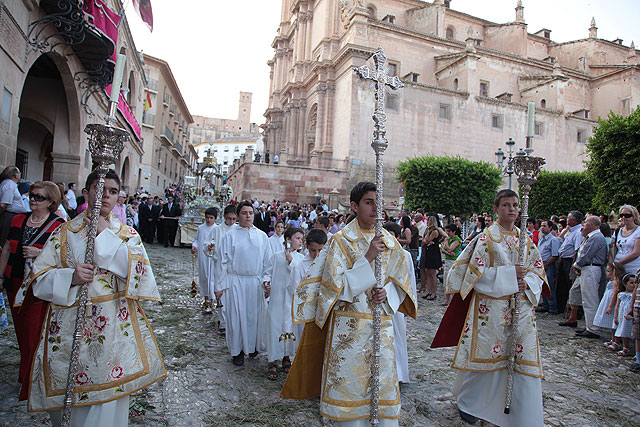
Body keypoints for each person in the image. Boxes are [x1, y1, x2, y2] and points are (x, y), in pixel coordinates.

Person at [18, 170, 166, 425]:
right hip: (68, 331)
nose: (105, 195)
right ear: (86, 193)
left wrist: (104, 234)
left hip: (113, 335)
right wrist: (70, 278)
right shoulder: (63, 233)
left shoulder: (127, 236)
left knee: (108, 404)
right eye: (99, 189)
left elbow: (141, 278)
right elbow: (37, 282)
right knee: (71, 405)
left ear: (118, 197)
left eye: (111, 191)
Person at [281, 182, 417, 426]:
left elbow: (401, 283)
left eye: (379, 202)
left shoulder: (390, 242)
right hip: (349, 330)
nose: (376, 208)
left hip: (380, 327)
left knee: (382, 401)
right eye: (368, 202)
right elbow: (332, 289)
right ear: (354, 206)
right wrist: (367, 259)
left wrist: (387, 294)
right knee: (351, 404)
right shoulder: (340, 242)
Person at [431, 189, 548, 426]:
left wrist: (527, 283)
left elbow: (538, 272)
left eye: (515, 205)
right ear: (496, 209)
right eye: (506, 205)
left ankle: (520, 412)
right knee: (486, 358)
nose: (512, 209)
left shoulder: (526, 240)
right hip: (490, 308)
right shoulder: (486, 239)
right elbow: (474, 277)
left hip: (521, 309)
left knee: (521, 358)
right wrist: (509, 275)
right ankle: (471, 402)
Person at [0, 181, 65, 401]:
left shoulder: (58, 224)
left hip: (38, 286)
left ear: (51, 202)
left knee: (31, 333)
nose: (33, 200)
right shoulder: (18, 219)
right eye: (31, 195)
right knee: (20, 330)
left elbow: (62, 257)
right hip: (14, 280)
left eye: (39, 197)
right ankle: (27, 371)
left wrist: (39, 253)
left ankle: (27, 383)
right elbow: (8, 248)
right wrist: (0, 276)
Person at [215, 201, 272, 366]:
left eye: (250, 213)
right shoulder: (230, 236)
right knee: (236, 317)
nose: (248, 216)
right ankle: (237, 350)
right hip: (236, 282)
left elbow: (267, 263)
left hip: (255, 282)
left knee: (254, 316)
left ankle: (252, 346)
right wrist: (219, 286)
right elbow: (222, 262)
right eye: (244, 213)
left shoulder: (262, 236)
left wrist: (266, 282)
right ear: (238, 216)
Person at [262, 227, 304, 380]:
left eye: (301, 239)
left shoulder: (300, 259)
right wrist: (266, 283)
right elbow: (267, 272)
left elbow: (301, 277)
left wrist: (291, 262)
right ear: (287, 239)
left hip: (291, 300)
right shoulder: (276, 257)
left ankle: (286, 357)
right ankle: (272, 360)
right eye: (297, 238)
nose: (300, 241)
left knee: (290, 327)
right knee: (274, 328)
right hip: (277, 298)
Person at [281, 228, 327, 355]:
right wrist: (288, 325)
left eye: (320, 250)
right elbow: (292, 296)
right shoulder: (300, 266)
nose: (317, 254)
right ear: (306, 246)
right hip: (306, 316)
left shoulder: (329, 264)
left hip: (324, 314)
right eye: (313, 250)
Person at [383, 221, 417, 383]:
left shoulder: (405, 255)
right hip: (381, 302)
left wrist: (410, 302)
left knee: (397, 337)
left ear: (397, 236)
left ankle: (400, 374)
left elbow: (409, 279)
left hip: (396, 301)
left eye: (391, 234)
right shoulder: (380, 253)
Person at [571, 216, 608, 338]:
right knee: (585, 298)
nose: (583, 225)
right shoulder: (591, 237)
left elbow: (587, 254)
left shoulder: (596, 237)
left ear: (592, 224)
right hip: (586, 268)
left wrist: (577, 265)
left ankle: (593, 328)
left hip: (591, 268)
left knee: (590, 298)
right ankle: (589, 325)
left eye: (585, 223)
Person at [212, 205, 238, 334]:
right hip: (220, 265)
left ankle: (231, 321)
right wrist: (209, 248)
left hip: (233, 268)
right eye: (229, 219)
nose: (231, 222)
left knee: (231, 296)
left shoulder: (238, 230)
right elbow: (208, 243)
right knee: (221, 293)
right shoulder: (217, 230)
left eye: (234, 219)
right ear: (224, 217)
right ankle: (222, 321)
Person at [556, 211, 584, 319]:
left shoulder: (578, 232)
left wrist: (574, 264)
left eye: (568, 218)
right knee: (562, 285)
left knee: (570, 286)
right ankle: (562, 308)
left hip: (570, 261)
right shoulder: (570, 231)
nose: (566, 220)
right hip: (564, 260)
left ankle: (575, 313)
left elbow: (576, 250)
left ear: (573, 220)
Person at [191, 207, 218, 312]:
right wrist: (194, 246)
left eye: (211, 218)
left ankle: (213, 300)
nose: (209, 220)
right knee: (203, 277)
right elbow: (196, 240)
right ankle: (205, 298)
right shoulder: (200, 228)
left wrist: (213, 247)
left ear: (215, 218)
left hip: (211, 258)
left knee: (211, 278)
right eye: (207, 217)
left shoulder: (216, 229)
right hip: (202, 257)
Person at [594, 263, 621, 349]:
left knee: (614, 323)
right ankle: (613, 339)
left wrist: (610, 306)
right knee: (611, 323)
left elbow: (614, 294)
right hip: (607, 301)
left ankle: (616, 341)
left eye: (609, 271)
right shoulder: (610, 282)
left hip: (611, 304)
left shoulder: (615, 283)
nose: (607, 273)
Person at [536, 220, 561, 314]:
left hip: (549, 265)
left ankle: (552, 307)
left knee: (550, 285)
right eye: (541, 226)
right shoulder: (542, 239)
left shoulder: (553, 240)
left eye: (544, 226)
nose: (542, 228)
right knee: (543, 285)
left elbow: (554, 255)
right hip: (541, 265)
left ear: (550, 228)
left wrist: (546, 264)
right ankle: (545, 305)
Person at [0, 166, 28, 246]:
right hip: (9, 216)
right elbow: (3, 204)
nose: (20, 175)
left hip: (12, 216)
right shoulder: (9, 185)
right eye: (19, 173)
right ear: (16, 175)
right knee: (4, 241)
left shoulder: (10, 184)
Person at [419, 215, 444, 300]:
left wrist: (428, 236)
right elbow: (424, 240)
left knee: (433, 273)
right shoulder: (428, 230)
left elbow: (427, 240)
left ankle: (433, 292)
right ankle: (428, 290)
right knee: (427, 271)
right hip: (428, 251)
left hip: (434, 252)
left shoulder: (435, 231)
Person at [611, 205, 640, 275]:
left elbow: (636, 253)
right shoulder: (617, 231)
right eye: (621, 215)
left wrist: (619, 263)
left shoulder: (638, 231)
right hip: (618, 269)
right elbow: (612, 249)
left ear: (634, 216)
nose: (623, 217)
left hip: (633, 268)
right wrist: (611, 264)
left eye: (627, 215)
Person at [440, 223, 462, 307]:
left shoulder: (457, 240)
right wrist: (447, 251)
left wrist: (446, 246)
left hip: (453, 261)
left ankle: (452, 300)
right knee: (446, 280)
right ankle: (447, 299)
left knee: (452, 280)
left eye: (449, 231)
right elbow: (445, 250)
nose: (448, 233)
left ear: (454, 232)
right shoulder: (449, 239)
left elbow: (449, 249)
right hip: (448, 260)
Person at [614, 274, 636, 356]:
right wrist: (615, 317)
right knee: (623, 330)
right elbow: (617, 306)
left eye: (635, 283)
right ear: (625, 283)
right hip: (622, 315)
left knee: (633, 331)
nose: (633, 285)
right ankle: (625, 347)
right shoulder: (621, 294)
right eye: (631, 283)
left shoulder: (635, 295)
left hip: (631, 316)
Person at [626, 269, 640, 372]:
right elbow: (636, 288)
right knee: (637, 334)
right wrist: (631, 307)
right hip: (638, 306)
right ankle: (638, 360)